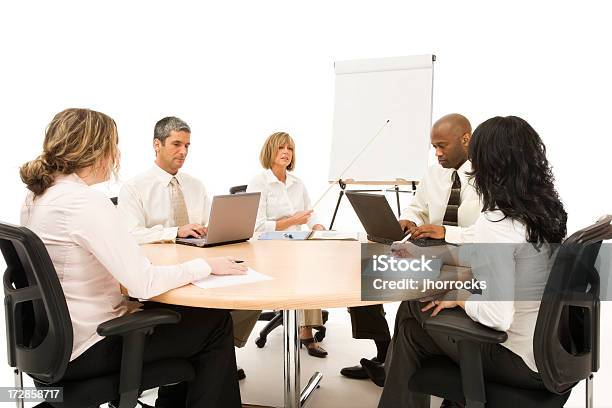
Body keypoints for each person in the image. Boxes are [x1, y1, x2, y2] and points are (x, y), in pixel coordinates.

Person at [19, 108, 245, 407]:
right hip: (91, 346)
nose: (117, 154)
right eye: (114, 145)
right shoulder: (84, 201)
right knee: (215, 323)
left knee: (186, 319)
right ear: (96, 150)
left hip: (51, 344)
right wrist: (205, 265)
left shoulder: (37, 196)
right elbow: (143, 283)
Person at [378, 115, 568, 407]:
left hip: (518, 359)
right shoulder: (544, 210)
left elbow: (497, 317)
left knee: (414, 308)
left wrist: (461, 298)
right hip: (554, 353)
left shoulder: (499, 221)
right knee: (413, 332)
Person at [343, 113, 482, 385]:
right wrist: (410, 219)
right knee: (364, 268)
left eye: (442, 146)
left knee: (403, 282)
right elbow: (417, 207)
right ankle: (385, 351)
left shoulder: (489, 174)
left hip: (467, 254)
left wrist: (446, 231)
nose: (438, 154)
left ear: (466, 140)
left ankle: (395, 364)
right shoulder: (433, 174)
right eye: (434, 147)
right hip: (434, 247)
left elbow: (494, 231)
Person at [118, 117, 261, 377]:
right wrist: (175, 232)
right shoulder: (134, 188)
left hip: (198, 264)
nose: (183, 152)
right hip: (161, 271)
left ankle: (217, 353)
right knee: (209, 312)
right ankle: (212, 355)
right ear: (156, 145)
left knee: (252, 292)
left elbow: (209, 222)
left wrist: (213, 230)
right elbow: (130, 235)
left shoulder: (195, 185)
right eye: (176, 144)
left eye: (187, 145)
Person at [246, 131, 328, 357]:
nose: (286, 153)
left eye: (290, 149)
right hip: (267, 248)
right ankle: (306, 332)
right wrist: (293, 221)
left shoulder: (297, 183)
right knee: (303, 269)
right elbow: (257, 227)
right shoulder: (259, 182)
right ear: (270, 151)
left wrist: (317, 226)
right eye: (281, 148)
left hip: (295, 244)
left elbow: (310, 214)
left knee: (315, 263)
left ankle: (305, 326)